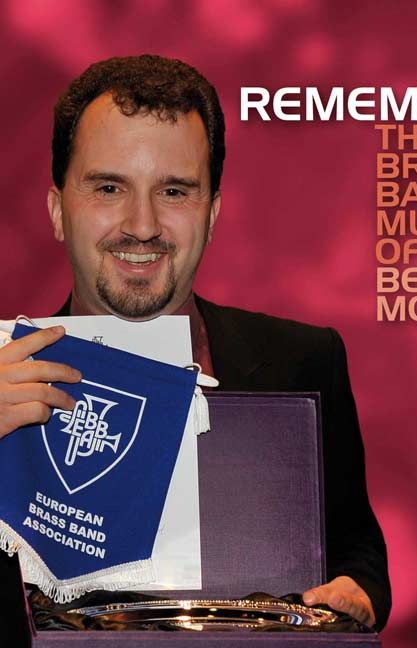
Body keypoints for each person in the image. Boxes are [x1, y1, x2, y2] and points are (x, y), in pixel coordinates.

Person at [0, 55, 391, 630]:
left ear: (212, 213)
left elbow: (358, 550)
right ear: (58, 210)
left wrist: (359, 593)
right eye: (108, 187)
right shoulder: (4, 377)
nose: (142, 225)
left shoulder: (305, 364)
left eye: (174, 191)